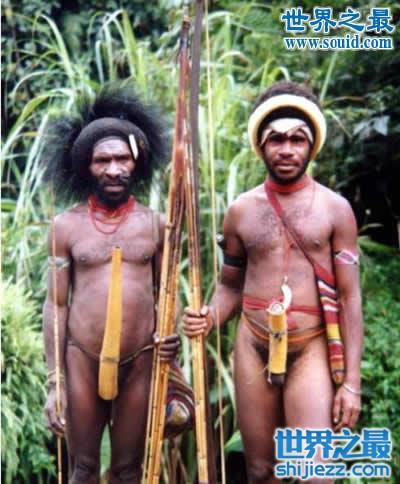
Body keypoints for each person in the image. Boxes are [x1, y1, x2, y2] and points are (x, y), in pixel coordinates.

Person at [183, 81, 363, 483]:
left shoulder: (335, 210)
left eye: (297, 139)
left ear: (311, 146)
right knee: (261, 470)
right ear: (261, 146)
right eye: (276, 139)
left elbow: (349, 298)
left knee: (315, 472)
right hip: (253, 343)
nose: (286, 149)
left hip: (310, 346)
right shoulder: (241, 211)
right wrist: (209, 317)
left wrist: (351, 383)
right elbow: (230, 286)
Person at [42, 85, 193, 484]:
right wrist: (56, 381)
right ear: (86, 166)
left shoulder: (156, 226)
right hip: (81, 360)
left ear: (136, 162)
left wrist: (170, 338)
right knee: (83, 468)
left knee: (128, 470)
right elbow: (56, 305)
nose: (113, 169)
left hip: (140, 361)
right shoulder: (65, 228)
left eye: (122, 158)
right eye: (102, 160)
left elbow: (167, 294)